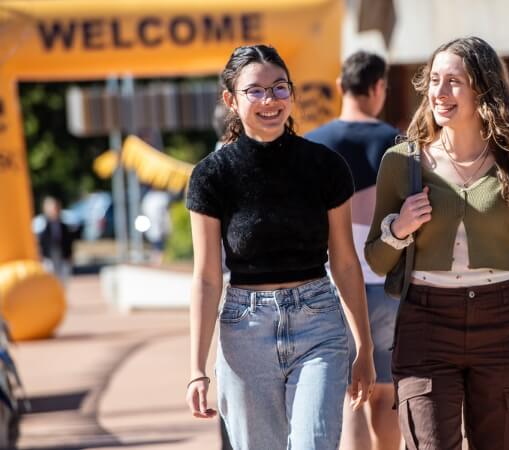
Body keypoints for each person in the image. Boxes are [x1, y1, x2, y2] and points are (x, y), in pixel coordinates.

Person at [365, 36, 509, 450]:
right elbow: (376, 260)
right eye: (434, 80)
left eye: (454, 82)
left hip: (503, 324)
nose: (439, 93)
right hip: (426, 326)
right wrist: (399, 230)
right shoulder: (402, 163)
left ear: (482, 88)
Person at [184, 44, 376, 450]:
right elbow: (205, 278)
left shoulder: (325, 166)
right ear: (230, 101)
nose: (270, 100)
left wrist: (365, 347)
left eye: (279, 88)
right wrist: (196, 368)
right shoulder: (211, 176)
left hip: (319, 326)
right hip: (244, 331)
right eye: (255, 91)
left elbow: (344, 261)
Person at [306, 51, 401, 450]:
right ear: (378, 87)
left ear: (342, 87)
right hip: (391, 284)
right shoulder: (397, 142)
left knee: (351, 395)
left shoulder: (314, 144)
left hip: (338, 286)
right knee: (385, 393)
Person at [36, 196, 76, 287]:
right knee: (49, 281)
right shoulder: (42, 224)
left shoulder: (64, 225)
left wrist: (70, 255)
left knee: (63, 280)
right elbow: (40, 242)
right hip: (49, 257)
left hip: (62, 256)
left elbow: (69, 241)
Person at [140, 189, 172, 264]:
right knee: (157, 243)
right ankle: (158, 258)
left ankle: (159, 258)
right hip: (156, 226)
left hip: (157, 226)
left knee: (158, 243)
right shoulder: (155, 198)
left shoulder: (155, 198)